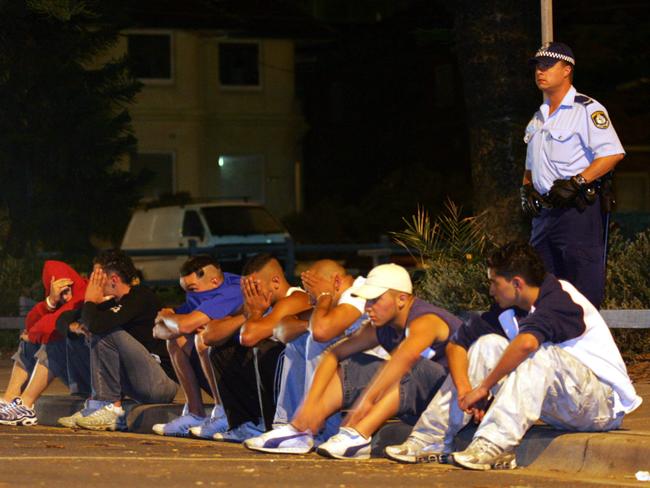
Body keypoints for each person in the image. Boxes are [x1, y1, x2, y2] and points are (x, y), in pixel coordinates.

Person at [384, 242, 642, 470]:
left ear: (517, 283)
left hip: (601, 405)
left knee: (535, 351)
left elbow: (527, 344)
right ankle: (431, 438)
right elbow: (457, 344)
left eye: (494, 282)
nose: (491, 290)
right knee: (486, 344)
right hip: (562, 402)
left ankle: (495, 445)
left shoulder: (560, 298)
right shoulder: (507, 310)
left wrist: (484, 387)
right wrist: (466, 391)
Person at [244, 263, 461, 460]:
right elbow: (333, 354)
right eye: (367, 300)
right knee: (354, 362)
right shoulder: (381, 325)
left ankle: (359, 434)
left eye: (376, 300)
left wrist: (365, 403)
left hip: (457, 404)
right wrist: (309, 407)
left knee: (407, 365)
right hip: (419, 401)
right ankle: (299, 431)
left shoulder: (425, 320)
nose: (368, 307)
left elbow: (404, 359)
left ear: (402, 299)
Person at [520, 42, 625, 309]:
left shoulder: (586, 109)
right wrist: (526, 190)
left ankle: (585, 346)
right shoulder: (538, 116)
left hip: (576, 213)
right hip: (543, 215)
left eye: (547, 66)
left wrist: (578, 182)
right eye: (536, 66)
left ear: (567, 70)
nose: (539, 72)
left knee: (582, 291)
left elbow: (612, 154)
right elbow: (531, 165)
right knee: (541, 288)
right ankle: (550, 345)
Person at [58, 250, 178, 431]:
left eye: (97, 277)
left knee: (104, 332)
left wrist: (90, 300)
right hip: (137, 382)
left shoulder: (140, 296)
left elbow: (98, 325)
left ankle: (108, 407)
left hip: (161, 383)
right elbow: (63, 319)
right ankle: (90, 403)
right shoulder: (111, 303)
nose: (93, 283)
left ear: (113, 279)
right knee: (79, 334)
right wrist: (75, 327)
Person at [205, 253, 311, 443]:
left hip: (296, 376)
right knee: (221, 351)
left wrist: (253, 313)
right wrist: (247, 315)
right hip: (268, 376)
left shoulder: (295, 299)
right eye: (246, 289)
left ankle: (273, 424)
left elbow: (249, 336)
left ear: (276, 282)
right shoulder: (259, 303)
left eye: (254, 288)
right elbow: (209, 336)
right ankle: (245, 424)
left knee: (263, 348)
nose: (250, 295)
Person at [151, 255, 242, 438]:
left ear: (215, 281)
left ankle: (223, 412)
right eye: (186, 290)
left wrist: (167, 316)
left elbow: (183, 325)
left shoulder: (233, 290)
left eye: (192, 289)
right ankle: (195, 413)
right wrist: (173, 322)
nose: (190, 296)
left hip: (245, 371)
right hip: (224, 368)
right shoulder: (201, 295)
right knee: (177, 339)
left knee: (203, 338)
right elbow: (157, 331)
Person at [300, 259, 387, 439]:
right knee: (300, 343)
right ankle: (299, 424)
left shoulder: (355, 291)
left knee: (318, 342)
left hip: (384, 374)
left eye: (313, 294)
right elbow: (282, 330)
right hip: (367, 369)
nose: (310, 301)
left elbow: (320, 332)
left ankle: (315, 432)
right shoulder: (348, 298)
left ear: (337, 282)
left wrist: (323, 296)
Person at [0, 261, 90, 426]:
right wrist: (50, 301)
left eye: (67, 290)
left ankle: (26, 405)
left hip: (94, 376)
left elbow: (49, 326)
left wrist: (35, 334)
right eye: (60, 293)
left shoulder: (84, 294)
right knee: (29, 344)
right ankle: (9, 399)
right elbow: (30, 325)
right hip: (79, 371)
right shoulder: (59, 301)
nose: (65, 297)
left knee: (54, 343)